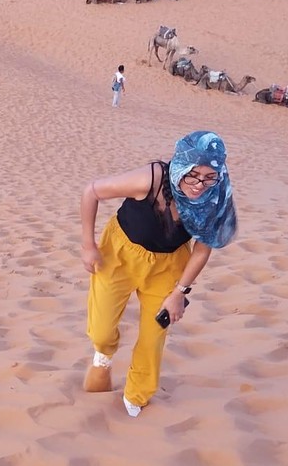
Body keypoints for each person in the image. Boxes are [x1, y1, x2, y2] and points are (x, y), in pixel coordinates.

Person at [81, 131, 237, 417]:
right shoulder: (151, 178)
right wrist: (88, 244)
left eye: (209, 175)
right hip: (120, 254)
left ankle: (137, 393)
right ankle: (103, 356)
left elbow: (203, 249)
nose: (199, 184)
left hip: (170, 265)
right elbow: (91, 191)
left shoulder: (216, 196)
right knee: (102, 329)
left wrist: (180, 293)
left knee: (154, 335)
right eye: (193, 174)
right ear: (180, 165)